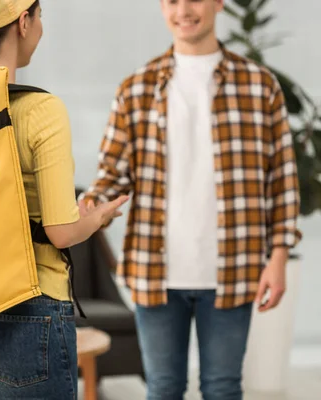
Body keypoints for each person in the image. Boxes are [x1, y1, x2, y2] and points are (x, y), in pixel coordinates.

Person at [80, 0, 302, 399]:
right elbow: (112, 175)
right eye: (171, 1)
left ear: (218, 3)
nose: (183, 10)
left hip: (233, 267)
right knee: (163, 388)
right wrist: (91, 208)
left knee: (223, 387)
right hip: (155, 269)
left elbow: (281, 178)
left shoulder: (258, 84)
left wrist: (280, 257)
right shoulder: (136, 88)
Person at [0, 1, 126, 398]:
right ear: (24, 22)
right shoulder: (40, 110)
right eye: (40, 17)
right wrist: (97, 217)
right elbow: (61, 232)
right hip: (27, 314)